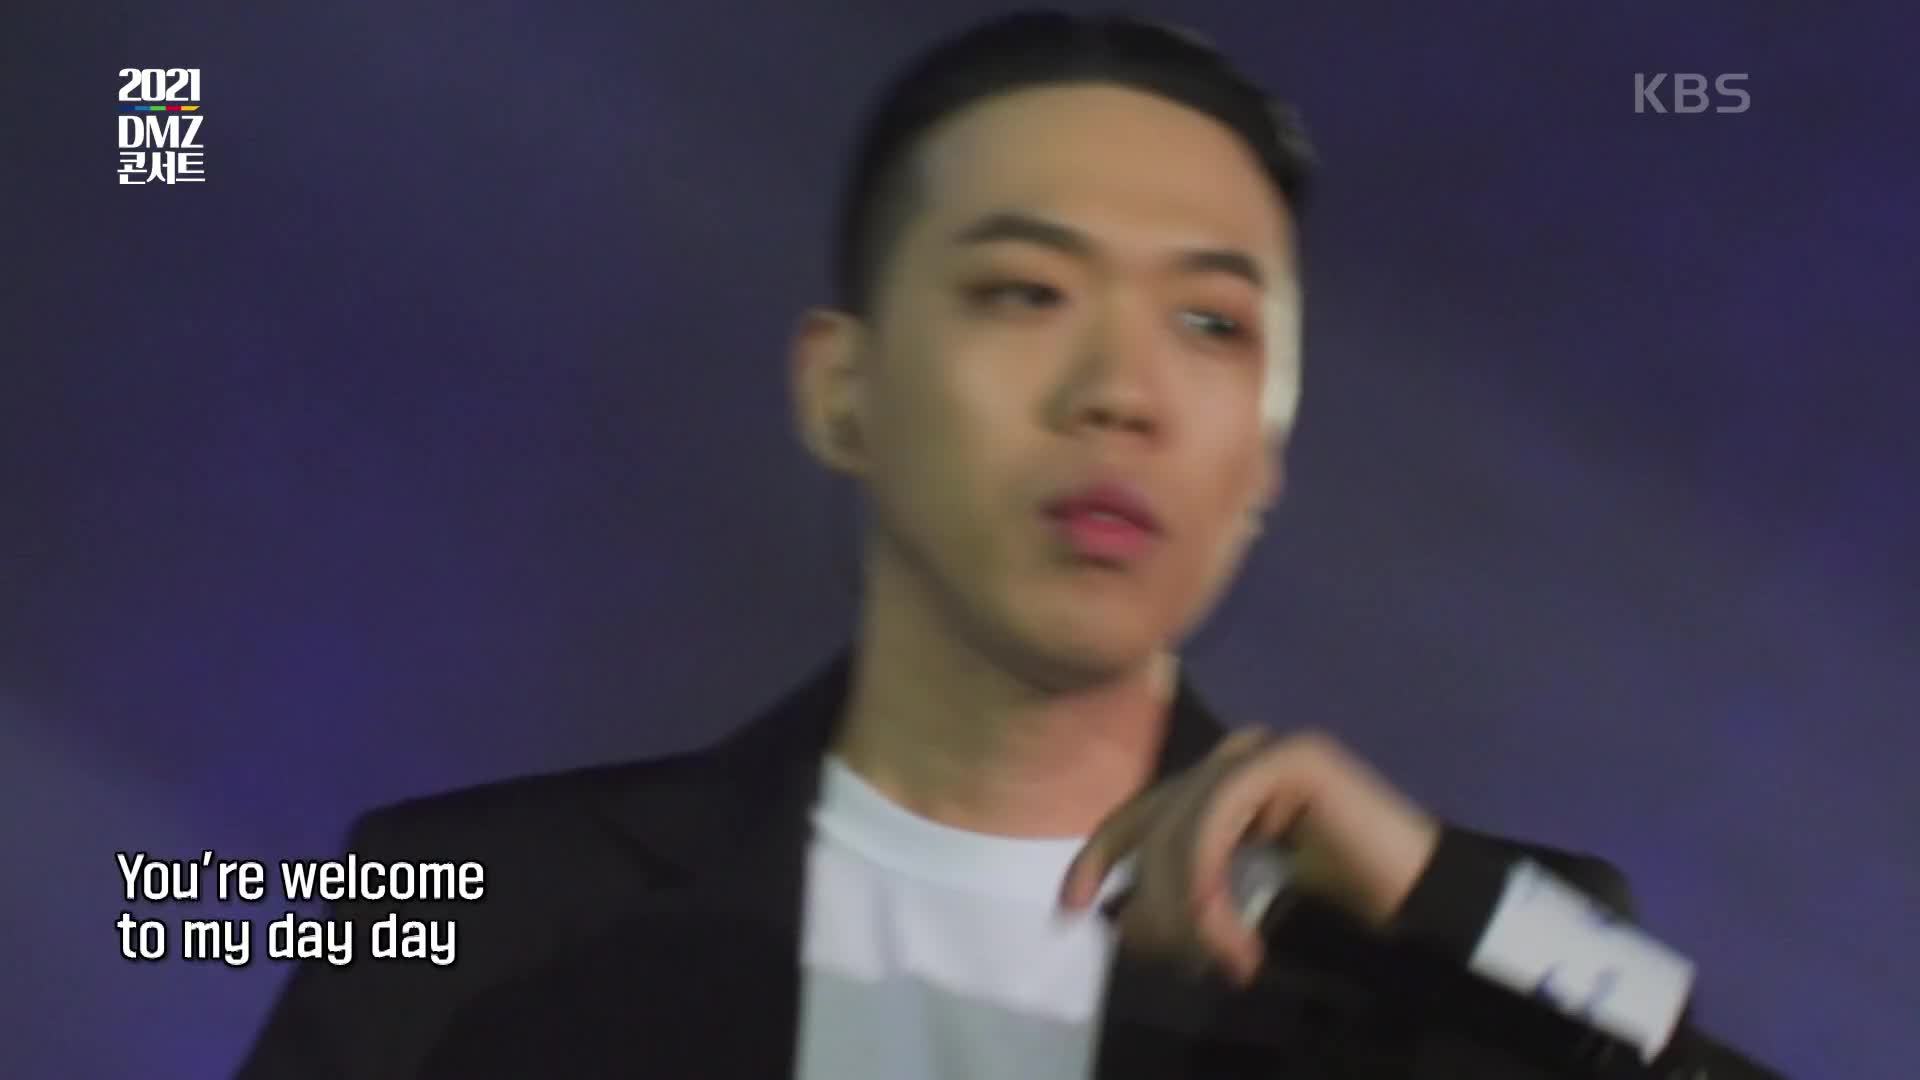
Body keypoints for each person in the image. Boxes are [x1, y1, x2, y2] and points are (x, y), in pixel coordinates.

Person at [235, 12, 1785, 1080]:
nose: (1122, 392)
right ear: (842, 390)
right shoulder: (477, 905)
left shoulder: (1450, 947)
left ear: (1268, 452)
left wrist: (1454, 903)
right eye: (1024, 292)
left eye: (1210, 324)